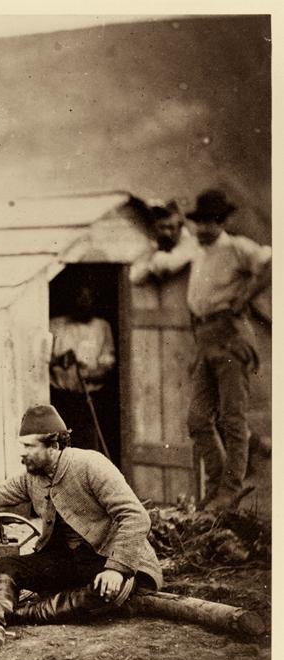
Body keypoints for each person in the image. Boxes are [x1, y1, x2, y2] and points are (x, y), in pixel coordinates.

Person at [0, 404, 162, 655]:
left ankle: (13, 616)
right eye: (22, 446)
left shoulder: (90, 465)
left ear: (54, 445)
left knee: (99, 593)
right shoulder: (33, 477)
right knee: (5, 566)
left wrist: (117, 569)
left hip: (116, 563)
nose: (22, 453)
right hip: (73, 562)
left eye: (29, 447)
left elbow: (135, 516)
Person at [131, 190, 272, 510]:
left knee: (232, 418)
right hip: (204, 336)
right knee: (197, 419)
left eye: (211, 222)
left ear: (221, 222)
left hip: (229, 336)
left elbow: (271, 261)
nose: (204, 228)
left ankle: (231, 487)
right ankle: (217, 485)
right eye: (200, 222)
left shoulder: (236, 247)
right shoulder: (198, 251)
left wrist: (246, 296)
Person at [48, 284, 115, 452]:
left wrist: (89, 374)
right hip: (61, 399)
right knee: (62, 449)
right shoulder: (55, 325)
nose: (84, 302)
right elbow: (38, 360)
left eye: (88, 298)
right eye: (80, 297)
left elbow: (108, 366)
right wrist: (60, 360)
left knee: (89, 449)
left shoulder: (102, 327)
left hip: (89, 399)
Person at [129, 199, 201, 284]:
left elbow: (168, 264)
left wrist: (150, 262)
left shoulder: (191, 242)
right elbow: (134, 276)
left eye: (171, 227)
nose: (167, 233)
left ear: (180, 226)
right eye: (161, 227)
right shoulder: (150, 242)